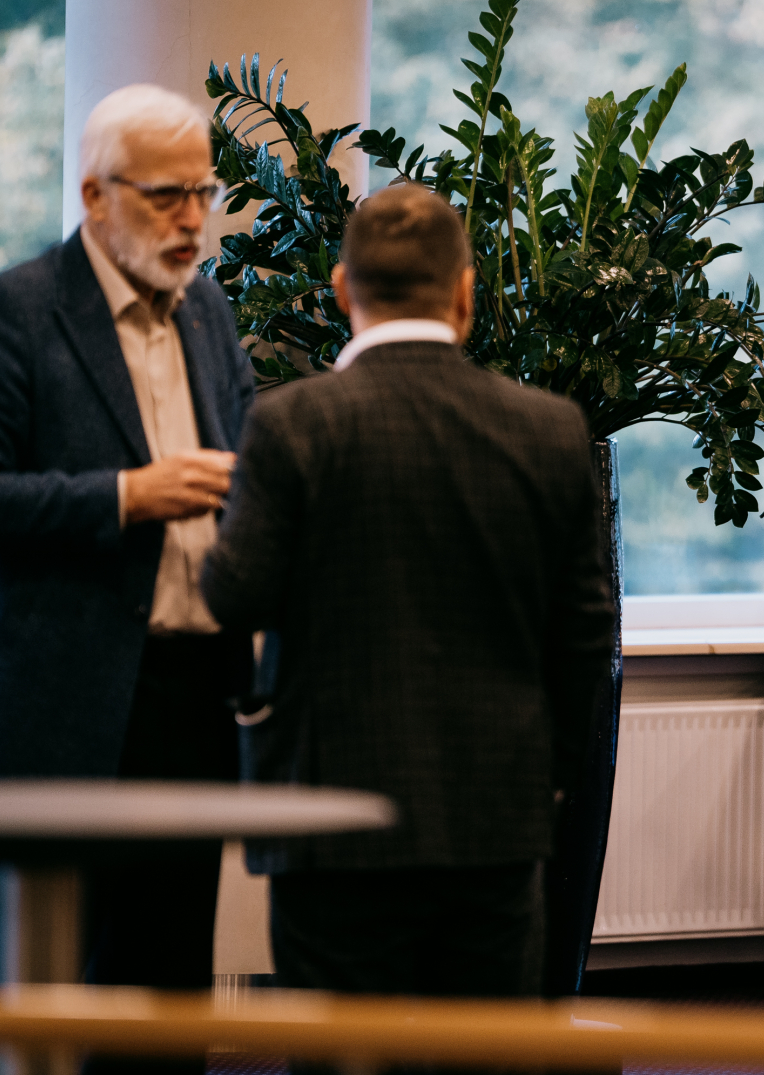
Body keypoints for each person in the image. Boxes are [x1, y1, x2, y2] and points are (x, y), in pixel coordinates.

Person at [201, 184, 615, 998]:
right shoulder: (549, 428)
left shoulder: (291, 424)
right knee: (483, 1051)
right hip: (495, 816)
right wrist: (549, 775)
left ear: (342, 290)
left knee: (345, 1050)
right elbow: (585, 633)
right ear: (465, 292)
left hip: (329, 818)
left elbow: (233, 596)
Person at [0, 83, 253, 1001]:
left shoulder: (207, 311)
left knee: (167, 993)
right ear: (96, 195)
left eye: (204, 193)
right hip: (52, 708)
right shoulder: (10, 311)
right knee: (25, 994)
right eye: (166, 195)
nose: (193, 220)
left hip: (189, 696)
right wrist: (127, 497)